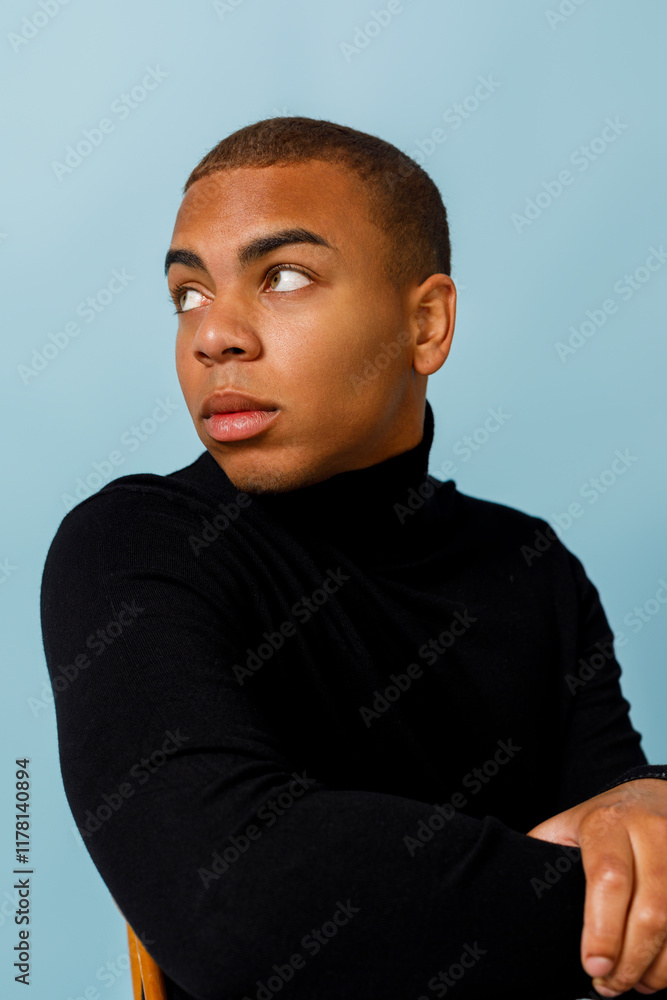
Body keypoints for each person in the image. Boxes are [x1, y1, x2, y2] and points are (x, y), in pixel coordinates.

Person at [40, 117, 667, 1000]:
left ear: (425, 324)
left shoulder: (530, 563)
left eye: (283, 277)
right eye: (188, 293)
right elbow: (238, 909)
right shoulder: (131, 545)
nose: (213, 336)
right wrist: (617, 913)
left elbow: (628, 821)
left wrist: (648, 799)